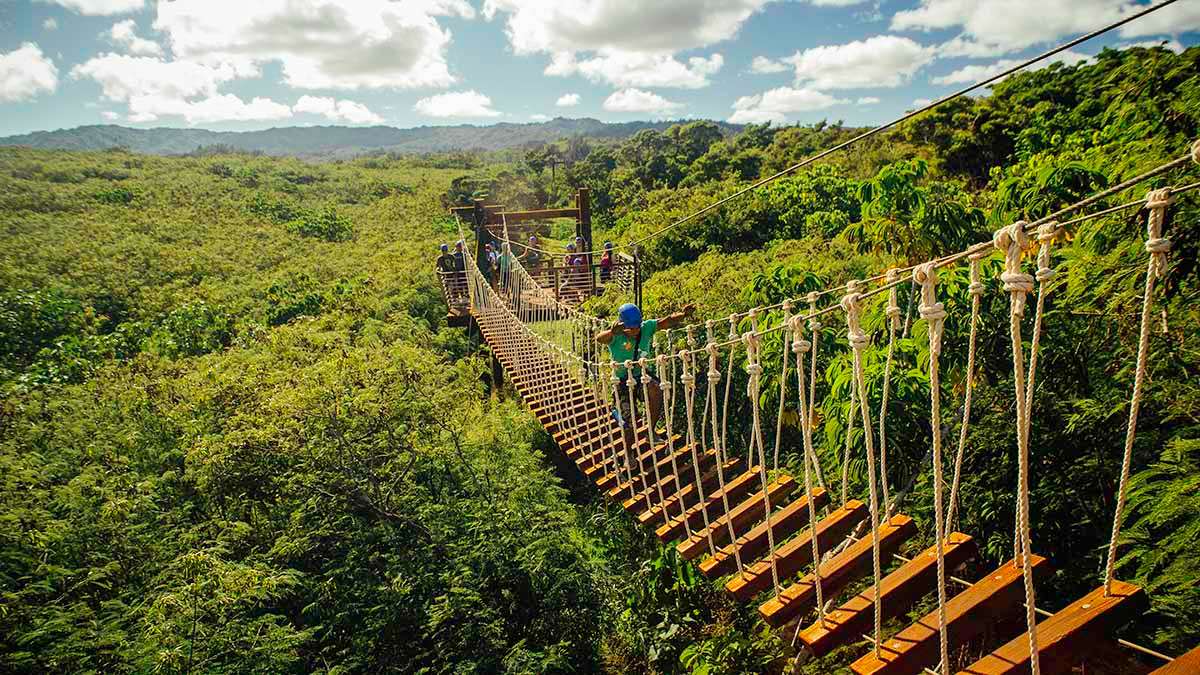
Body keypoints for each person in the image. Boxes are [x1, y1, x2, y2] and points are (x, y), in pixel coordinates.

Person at [597, 302, 696, 457]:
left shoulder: (646, 328)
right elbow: (600, 338)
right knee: (630, 422)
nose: (635, 331)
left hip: (640, 375)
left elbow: (667, 321)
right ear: (623, 325)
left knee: (657, 390)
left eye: (637, 327)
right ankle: (628, 452)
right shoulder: (616, 336)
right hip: (622, 381)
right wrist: (612, 331)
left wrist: (683, 315)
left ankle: (650, 432)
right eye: (631, 328)